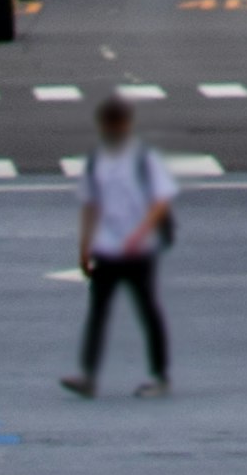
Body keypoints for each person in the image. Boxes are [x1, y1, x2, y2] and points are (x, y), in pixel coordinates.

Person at [66, 93, 176, 396]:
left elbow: (160, 201)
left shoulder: (143, 158)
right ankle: (88, 376)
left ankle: (160, 375)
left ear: (127, 124)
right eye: (108, 124)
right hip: (108, 249)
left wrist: (139, 235)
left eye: (117, 123)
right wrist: (84, 248)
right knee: (98, 312)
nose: (113, 129)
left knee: (147, 310)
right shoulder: (96, 160)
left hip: (138, 252)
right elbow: (90, 206)